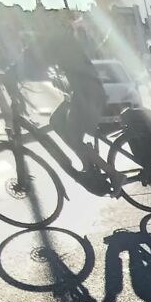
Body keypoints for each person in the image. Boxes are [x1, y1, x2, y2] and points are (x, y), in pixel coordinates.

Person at [46, 17, 125, 192]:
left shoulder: (63, 43)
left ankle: (113, 173)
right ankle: (87, 158)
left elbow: (38, 61)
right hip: (82, 92)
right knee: (56, 121)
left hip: (86, 93)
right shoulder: (67, 41)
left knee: (73, 136)